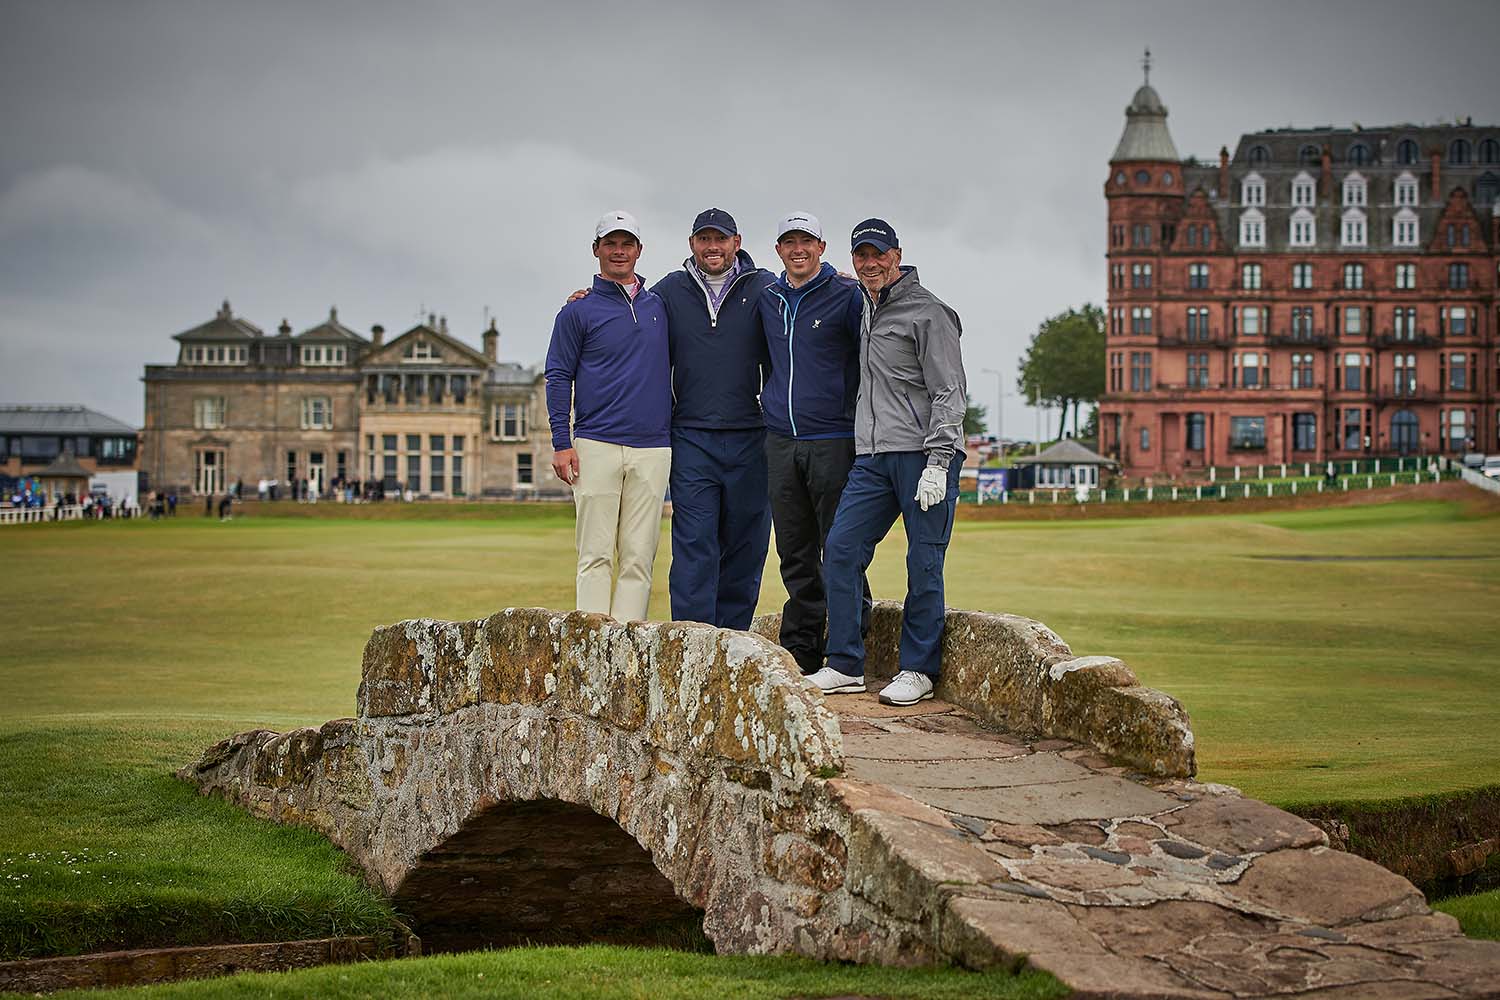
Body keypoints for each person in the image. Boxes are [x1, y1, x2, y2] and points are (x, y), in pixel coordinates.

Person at [812, 219, 968, 706]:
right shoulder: (864, 304)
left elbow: (949, 391)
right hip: (873, 456)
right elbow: (805, 278)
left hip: (924, 456)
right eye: (861, 254)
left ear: (897, 255)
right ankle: (844, 664)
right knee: (840, 549)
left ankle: (918, 669)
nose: (869, 262)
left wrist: (939, 462)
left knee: (923, 561)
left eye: (878, 254)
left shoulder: (929, 313)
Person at [651, 209, 779, 628]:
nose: (712, 247)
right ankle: (692, 642)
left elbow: (807, 295)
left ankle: (732, 641)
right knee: (694, 543)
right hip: (691, 434)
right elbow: (628, 313)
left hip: (752, 435)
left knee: (747, 543)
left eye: (720, 239)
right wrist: (589, 297)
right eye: (704, 239)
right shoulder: (669, 290)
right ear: (692, 244)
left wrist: (843, 283)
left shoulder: (764, 287)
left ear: (736, 242)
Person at [756, 212, 871, 675]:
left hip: (834, 439)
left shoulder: (846, 295)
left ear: (822, 247)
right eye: (789, 242)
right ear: (779, 249)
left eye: (806, 241)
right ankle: (801, 649)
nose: (797, 249)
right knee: (794, 550)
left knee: (839, 546)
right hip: (781, 442)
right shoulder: (767, 297)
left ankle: (851, 640)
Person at [545, 210, 672, 621]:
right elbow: (559, 376)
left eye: (627, 244)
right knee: (595, 554)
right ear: (596, 250)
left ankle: (627, 650)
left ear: (639, 250)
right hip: (595, 443)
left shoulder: (660, 306)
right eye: (610, 244)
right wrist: (561, 443)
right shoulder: (576, 313)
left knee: (639, 556)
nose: (619, 251)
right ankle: (594, 647)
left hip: (653, 447)